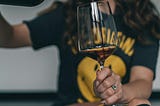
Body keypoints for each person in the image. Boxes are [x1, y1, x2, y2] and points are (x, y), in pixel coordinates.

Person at [0, 0, 159, 106]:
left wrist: (120, 92)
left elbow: (142, 81)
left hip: (119, 102)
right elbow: (9, 37)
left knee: (140, 103)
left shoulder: (144, 19)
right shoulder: (66, 14)